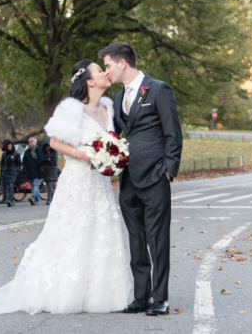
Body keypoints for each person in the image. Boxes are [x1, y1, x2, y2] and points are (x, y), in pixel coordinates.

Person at [0, 59, 133, 315]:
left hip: (99, 182)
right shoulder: (72, 109)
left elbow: (111, 141)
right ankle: (64, 291)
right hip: (78, 179)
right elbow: (55, 142)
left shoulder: (108, 107)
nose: (105, 72)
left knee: (102, 230)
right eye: (100, 70)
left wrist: (112, 159)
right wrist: (82, 155)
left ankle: (98, 293)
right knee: (72, 231)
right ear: (90, 81)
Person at [100, 42, 183, 316]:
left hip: (155, 177)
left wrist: (168, 170)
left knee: (157, 239)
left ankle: (161, 298)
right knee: (136, 239)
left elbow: (173, 132)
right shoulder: (116, 99)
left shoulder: (159, 89)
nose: (106, 71)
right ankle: (142, 297)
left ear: (122, 63)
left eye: (108, 65)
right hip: (128, 180)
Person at [23, 137, 44, 205]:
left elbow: (42, 160)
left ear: (35, 142)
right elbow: (24, 161)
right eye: (29, 142)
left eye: (32, 142)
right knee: (32, 186)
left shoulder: (40, 150)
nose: (30, 143)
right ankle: (36, 199)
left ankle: (32, 198)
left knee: (35, 185)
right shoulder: (27, 152)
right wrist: (25, 169)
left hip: (37, 171)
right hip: (29, 171)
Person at [0, 140, 21, 207]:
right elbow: (2, 162)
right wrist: (3, 168)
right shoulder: (4, 154)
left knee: (11, 185)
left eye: (10, 146)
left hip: (13, 171)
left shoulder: (16, 154)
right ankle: (5, 199)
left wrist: (16, 169)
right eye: (8, 146)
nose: (9, 147)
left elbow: (19, 163)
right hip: (6, 171)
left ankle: (10, 200)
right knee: (5, 185)